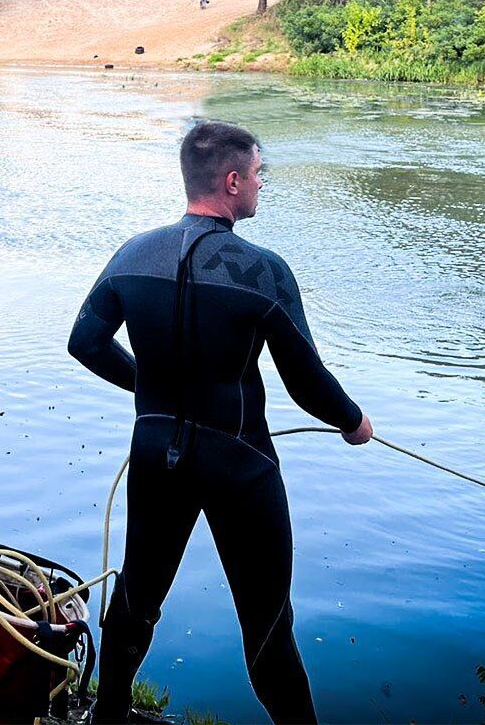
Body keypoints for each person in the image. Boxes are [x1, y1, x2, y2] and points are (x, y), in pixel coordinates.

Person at [68, 121, 375, 724]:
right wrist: (353, 420)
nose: (262, 184)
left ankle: (108, 716)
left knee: (137, 596)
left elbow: (86, 343)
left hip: (157, 452)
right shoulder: (262, 270)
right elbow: (306, 381)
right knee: (266, 624)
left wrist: (154, 388)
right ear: (232, 182)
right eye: (259, 174)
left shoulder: (133, 252)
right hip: (240, 464)